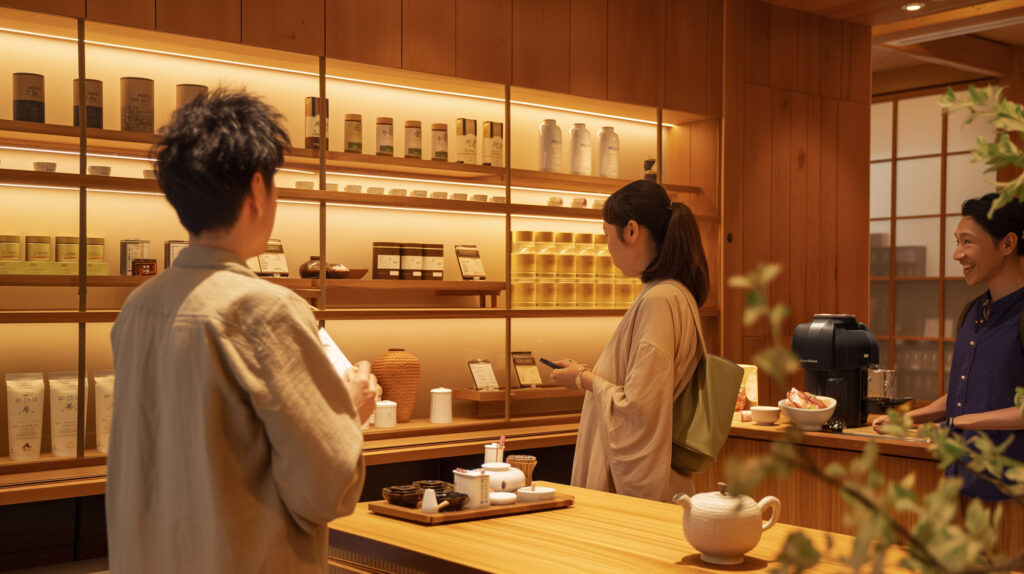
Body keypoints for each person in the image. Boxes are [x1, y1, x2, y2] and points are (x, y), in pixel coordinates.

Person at [107, 89, 378, 573]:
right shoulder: (263, 309)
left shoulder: (140, 305)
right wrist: (348, 410)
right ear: (257, 191)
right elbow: (324, 492)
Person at [549, 180, 709, 501]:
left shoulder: (659, 300)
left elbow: (639, 408)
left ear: (632, 231)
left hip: (651, 484)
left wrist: (583, 378)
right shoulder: (673, 294)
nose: (607, 247)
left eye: (608, 234)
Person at [873, 193, 1024, 501]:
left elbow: (968, 412)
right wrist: (908, 419)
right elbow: (963, 394)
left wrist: (961, 421)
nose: (957, 254)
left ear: (1007, 244)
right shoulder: (972, 311)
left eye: (967, 242)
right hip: (959, 478)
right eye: (957, 242)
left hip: (1010, 491)